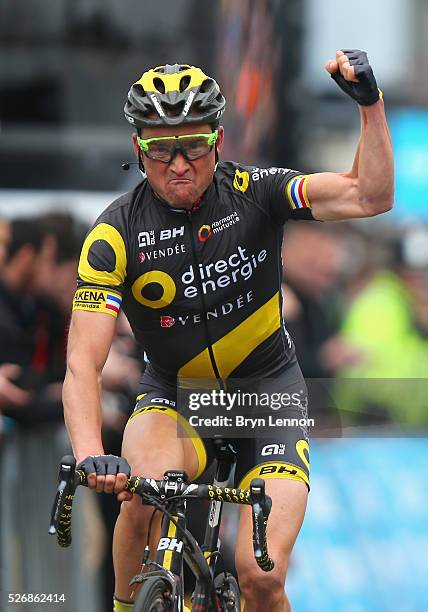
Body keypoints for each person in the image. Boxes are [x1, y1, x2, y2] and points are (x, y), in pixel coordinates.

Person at [63, 50, 394, 612]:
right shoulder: (115, 233)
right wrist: (92, 453)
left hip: (266, 394)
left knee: (260, 578)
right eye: (161, 150)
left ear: (217, 142)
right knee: (138, 497)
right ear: (139, 151)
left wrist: (370, 105)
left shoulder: (257, 190)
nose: (179, 164)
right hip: (176, 395)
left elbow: (371, 195)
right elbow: (82, 364)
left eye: (193, 146)